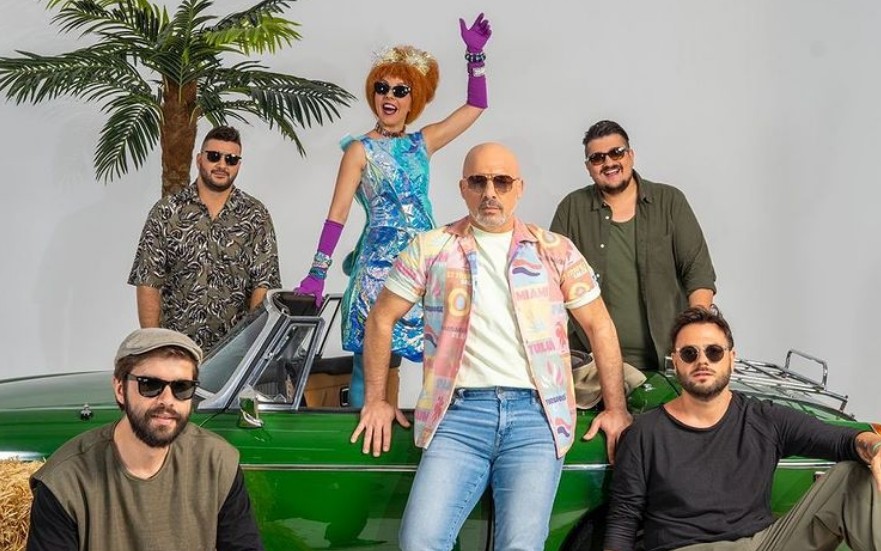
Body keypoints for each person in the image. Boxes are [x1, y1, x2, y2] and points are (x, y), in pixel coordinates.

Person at [351, 143, 632, 550]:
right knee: (419, 540)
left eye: (501, 181)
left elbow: (599, 325)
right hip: (457, 417)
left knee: (520, 546)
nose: (490, 193)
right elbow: (381, 317)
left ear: (519, 187)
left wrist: (616, 408)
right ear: (463, 188)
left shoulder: (555, 250)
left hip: (536, 419)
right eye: (478, 182)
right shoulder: (431, 247)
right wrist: (377, 399)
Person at [294, 14, 493, 407]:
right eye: (382, 87)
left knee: (439, 354)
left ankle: (428, 433)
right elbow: (337, 213)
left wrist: (475, 58)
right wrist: (317, 272)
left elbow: (475, 106)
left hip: (425, 260)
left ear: (412, 99)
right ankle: (363, 433)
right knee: (370, 359)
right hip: (377, 266)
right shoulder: (359, 150)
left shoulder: (423, 142)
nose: (389, 96)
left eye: (400, 90)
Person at [604, 306, 881, 551]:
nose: (702, 361)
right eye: (689, 353)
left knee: (852, 476)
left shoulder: (764, 419)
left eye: (714, 352)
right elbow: (623, 519)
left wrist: (875, 446)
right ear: (675, 361)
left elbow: (842, 440)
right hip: (685, 547)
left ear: (731, 358)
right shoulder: (644, 433)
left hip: (761, 545)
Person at [26, 328, 264, 551]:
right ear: (120, 389)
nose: (167, 400)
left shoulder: (217, 462)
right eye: (150, 385)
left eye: (182, 387)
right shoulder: (65, 482)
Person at [550, 120, 716, 370]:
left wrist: (696, 338)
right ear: (588, 167)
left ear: (631, 155)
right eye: (597, 158)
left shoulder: (669, 201)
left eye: (616, 152)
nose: (608, 163)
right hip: (591, 362)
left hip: (668, 360)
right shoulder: (571, 209)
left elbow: (698, 272)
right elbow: (550, 283)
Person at [129, 125, 281, 353]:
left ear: (238, 165)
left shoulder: (255, 215)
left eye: (231, 159)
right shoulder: (167, 211)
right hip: (176, 349)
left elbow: (263, 284)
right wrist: (154, 347)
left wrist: (252, 348)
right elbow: (148, 281)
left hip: (233, 353)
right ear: (199, 159)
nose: (222, 165)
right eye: (214, 156)